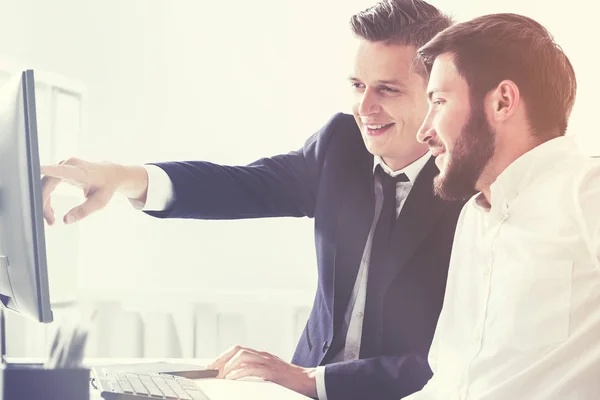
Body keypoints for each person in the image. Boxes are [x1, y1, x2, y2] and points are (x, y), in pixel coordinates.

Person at [41, 1, 464, 399]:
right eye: (357, 85)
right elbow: (240, 185)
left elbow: (452, 361)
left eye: (387, 90)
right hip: (292, 390)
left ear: (436, 96)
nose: (364, 107)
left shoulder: (467, 191)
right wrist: (122, 177)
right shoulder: (341, 146)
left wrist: (309, 380)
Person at [405, 12, 600, 399]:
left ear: (503, 101)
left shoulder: (588, 191)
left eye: (439, 101)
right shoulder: (472, 220)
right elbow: (450, 380)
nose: (423, 131)